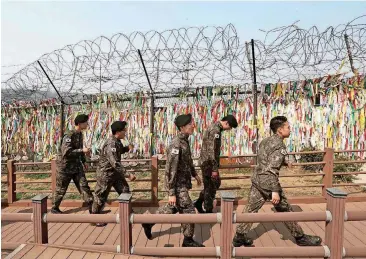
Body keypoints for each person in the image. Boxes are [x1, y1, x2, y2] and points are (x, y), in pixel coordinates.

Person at [232, 116, 322, 247]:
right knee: (285, 209)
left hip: (258, 180)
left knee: (250, 209)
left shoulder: (266, 141)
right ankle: (300, 237)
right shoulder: (279, 145)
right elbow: (271, 169)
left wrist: (284, 161)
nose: (290, 130)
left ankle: (239, 236)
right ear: (280, 130)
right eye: (288, 127)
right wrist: (275, 191)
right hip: (269, 182)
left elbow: (266, 158)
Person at [142, 114, 204, 247]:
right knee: (189, 211)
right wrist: (171, 192)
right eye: (189, 125)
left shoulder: (185, 141)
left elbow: (188, 161)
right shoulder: (176, 144)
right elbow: (171, 169)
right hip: (176, 185)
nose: (193, 126)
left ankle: (148, 222)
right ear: (182, 127)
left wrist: (195, 174)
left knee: (173, 208)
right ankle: (188, 240)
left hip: (182, 183)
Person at [92, 121, 136, 227]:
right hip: (106, 174)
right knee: (101, 196)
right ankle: (94, 218)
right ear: (118, 132)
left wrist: (127, 148)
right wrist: (128, 174)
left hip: (115, 174)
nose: (125, 132)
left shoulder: (117, 141)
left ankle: (127, 211)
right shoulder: (111, 143)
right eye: (123, 130)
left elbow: (118, 151)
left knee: (125, 190)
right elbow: (115, 163)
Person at [194, 115, 238, 213]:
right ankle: (208, 209)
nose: (229, 129)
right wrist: (214, 168)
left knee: (214, 184)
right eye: (230, 127)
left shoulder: (213, 127)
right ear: (226, 123)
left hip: (207, 162)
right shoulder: (216, 131)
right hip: (208, 163)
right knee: (210, 186)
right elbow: (212, 151)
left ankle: (199, 202)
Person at [51, 114, 94, 214]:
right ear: (79, 124)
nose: (87, 124)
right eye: (85, 122)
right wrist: (82, 151)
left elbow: (80, 149)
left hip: (76, 166)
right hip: (65, 167)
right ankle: (54, 208)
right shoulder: (69, 135)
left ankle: (93, 207)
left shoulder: (80, 134)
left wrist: (84, 161)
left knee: (84, 186)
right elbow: (66, 152)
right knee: (61, 189)